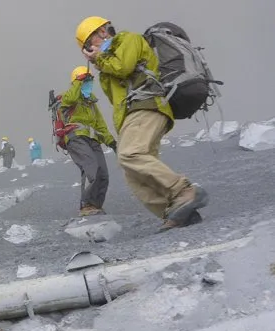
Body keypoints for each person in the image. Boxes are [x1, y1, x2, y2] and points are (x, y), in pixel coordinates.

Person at [76, 16, 208, 231]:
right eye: (86, 47)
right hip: (134, 115)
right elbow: (117, 98)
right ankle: (177, 212)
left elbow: (124, 67)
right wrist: (102, 62)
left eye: (89, 41)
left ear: (102, 32)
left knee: (131, 154)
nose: (89, 49)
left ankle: (183, 191)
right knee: (134, 175)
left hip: (147, 106)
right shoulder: (105, 66)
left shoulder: (128, 39)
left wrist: (100, 59)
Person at [62, 66, 117, 216]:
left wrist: (111, 142)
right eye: (85, 80)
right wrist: (78, 82)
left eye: (90, 80)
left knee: (103, 174)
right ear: (76, 82)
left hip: (93, 139)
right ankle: (86, 205)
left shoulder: (91, 102)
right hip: (76, 137)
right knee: (91, 168)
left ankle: (95, 205)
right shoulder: (69, 97)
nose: (88, 83)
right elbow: (71, 97)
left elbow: (100, 125)